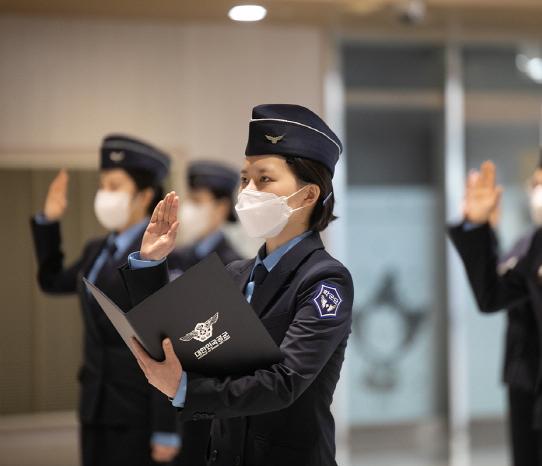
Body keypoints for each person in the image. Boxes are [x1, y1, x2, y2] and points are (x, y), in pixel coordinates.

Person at [119, 104, 354, 466]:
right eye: (245, 180)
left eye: (265, 179)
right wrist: (150, 263)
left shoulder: (324, 280)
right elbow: (170, 335)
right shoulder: (236, 273)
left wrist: (184, 389)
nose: (248, 192)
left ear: (308, 195)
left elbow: (284, 381)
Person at [30, 134, 181, 466]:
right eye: (102, 185)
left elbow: (165, 343)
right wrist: (49, 222)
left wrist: (166, 428)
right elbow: (52, 281)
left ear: (144, 195)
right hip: (95, 404)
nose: (104, 194)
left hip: (137, 411)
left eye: (114, 186)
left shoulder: (159, 258)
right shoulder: (96, 250)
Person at [448, 160, 542, 465]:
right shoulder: (537, 243)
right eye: (536, 185)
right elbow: (494, 294)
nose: (537, 194)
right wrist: (478, 225)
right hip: (531, 380)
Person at [170, 161, 242, 466]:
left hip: (206, 393)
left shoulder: (233, 265)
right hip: (166, 388)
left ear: (220, 207)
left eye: (198, 202)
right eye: (190, 199)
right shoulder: (174, 256)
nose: (189, 209)